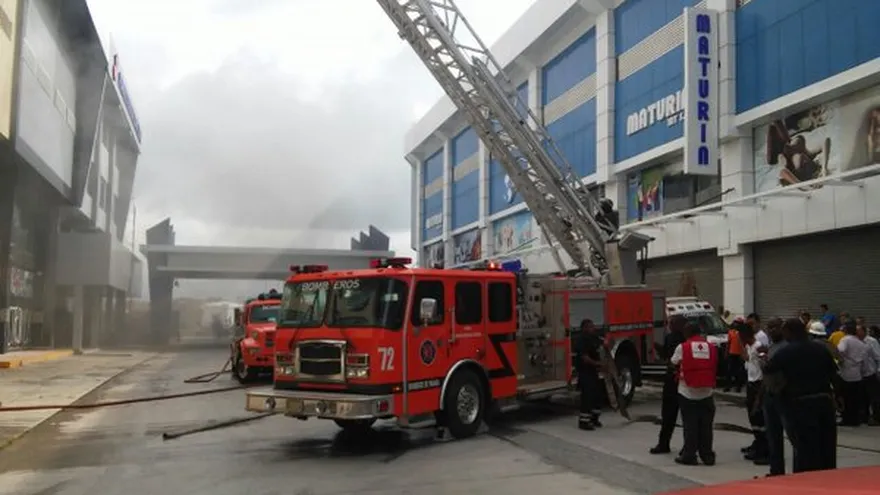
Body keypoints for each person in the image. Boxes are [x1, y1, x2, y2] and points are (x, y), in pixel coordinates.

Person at [764, 318, 837, 473]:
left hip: (799, 406)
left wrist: (778, 394)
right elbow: (834, 375)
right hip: (824, 404)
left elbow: (770, 376)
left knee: (805, 450)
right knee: (826, 447)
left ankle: (805, 483)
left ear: (789, 332)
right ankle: (829, 481)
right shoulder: (821, 350)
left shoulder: (784, 353)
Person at [670, 322, 718, 466]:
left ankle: (689, 456)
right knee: (706, 427)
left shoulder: (682, 347)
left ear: (687, 333)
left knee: (690, 426)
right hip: (707, 392)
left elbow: (674, 362)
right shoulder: (711, 347)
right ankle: (707, 456)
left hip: (687, 392)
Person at [650, 315, 687, 454]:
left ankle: (663, 444)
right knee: (688, 418)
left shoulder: (671, 338)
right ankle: (688, 447)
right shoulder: (687, 339)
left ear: (676, 325)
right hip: (686, 381)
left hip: (672, 380)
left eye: (670, 323)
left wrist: (655, 346)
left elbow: (667, 356)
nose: (668, 326)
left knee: (668, 415)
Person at [761, 318, 789, 476]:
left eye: (775, 327)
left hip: (783, 396)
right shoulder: (771, 347)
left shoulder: (786, 347)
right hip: (769, 395)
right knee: (773, 436)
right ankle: (776, 470)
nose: (771, 330)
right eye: (769, 327)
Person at [741, 323, 769, 465]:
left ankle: (766, 450)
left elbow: (765, 366)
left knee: (760, 419)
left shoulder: (758, 346)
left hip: (759, 385)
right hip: (751, 384)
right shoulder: (748, 347)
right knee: (753, 419)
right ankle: (758, 445)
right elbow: (748, 362)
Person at [835, 321, 867, 427]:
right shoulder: (861, 343)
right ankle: (855, 419)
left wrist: (840, 360)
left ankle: (846, 419)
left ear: (846, 330)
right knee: (855, 399)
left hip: (846, 373)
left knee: (845, 398)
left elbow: (840, 351)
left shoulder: (845, 339)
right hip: (857, 374)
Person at [574, 319, 604, 430]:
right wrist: (597, 363)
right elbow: (585, 358)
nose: (593, 328)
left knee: (597, 396)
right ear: (584, 328)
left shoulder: (594, 338)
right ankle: (584, 422)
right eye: (590, 327)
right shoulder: (581, 340)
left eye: (593, 326)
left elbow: (601, 347)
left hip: (593, 372)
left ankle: (594, 418)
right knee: (587, 397)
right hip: (585, 372)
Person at [724, 318, 745, 393]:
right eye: (735, 323)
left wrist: (743, 354)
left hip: (740, 354)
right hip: (732, 353)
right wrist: (726, 353)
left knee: (739, 372)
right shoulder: (731, 332)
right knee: (729, 371)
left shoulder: (743, 333)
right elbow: (728, 343)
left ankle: (738, 387)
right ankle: (728, 386)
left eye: (738, 323)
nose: (736, 324)